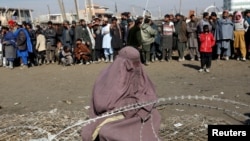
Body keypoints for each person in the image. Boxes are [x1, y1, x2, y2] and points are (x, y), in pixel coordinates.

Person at [81, 46, 161, 141]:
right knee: (106, 131)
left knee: (154, 115)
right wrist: (126, 105)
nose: (134, 66)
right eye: (130, 63)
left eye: (136, 62)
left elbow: (149, 95)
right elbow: (102, 105)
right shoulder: (109, 76)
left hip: (135, 115)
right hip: (114, 115)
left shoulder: (140, 73)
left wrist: (137, 103)